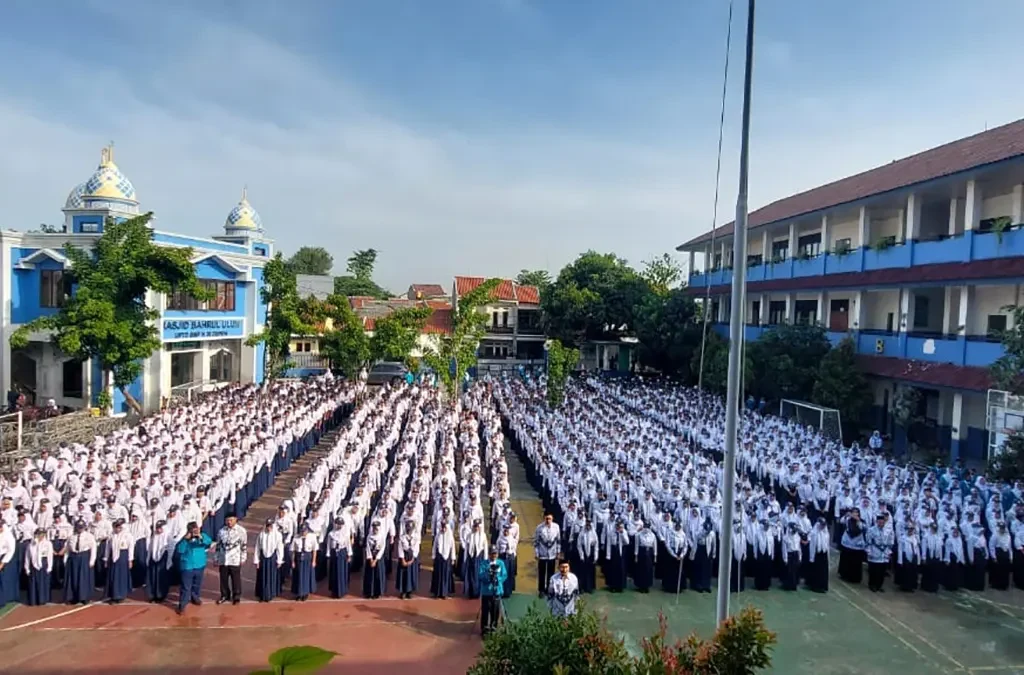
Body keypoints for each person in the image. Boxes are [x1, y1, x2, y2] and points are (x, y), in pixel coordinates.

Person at [175, 521, 214, 616]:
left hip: (199, 564)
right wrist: (186, 540)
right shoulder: (184, 539)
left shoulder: (202, 536)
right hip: (187, 566)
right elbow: (180, 550)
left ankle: (195, 598)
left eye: (196, 529)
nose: (195, 531)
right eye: (193, 530)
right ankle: (182, 605)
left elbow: (208, 542)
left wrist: (200, 537)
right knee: (186, 587)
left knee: (197, 584)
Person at [216, 512, 247, 605]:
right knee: (223, 579)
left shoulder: (241, 531)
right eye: (227, 520)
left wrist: (243, 558)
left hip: (235, 559)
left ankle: (236, 596)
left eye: (231, 520)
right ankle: (224, 595)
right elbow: (218, 545)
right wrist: (216, 557)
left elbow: (244, 545)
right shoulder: (221, 531)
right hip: (223, 559)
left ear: (236, 520)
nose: (229, 522)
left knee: (236, 579)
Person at [63, 520, 96, 605]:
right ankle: (74, 597)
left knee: (83, 578)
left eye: (81, 527)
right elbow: (67, 549)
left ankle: (84, 597)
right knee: (73, 578)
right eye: (78, 527)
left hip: (84, 557)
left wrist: (92, 560)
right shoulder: (71, 537)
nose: (80, 529)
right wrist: (65, 559)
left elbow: (93, 548)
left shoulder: (89, 536)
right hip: (74, 557)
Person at [477, 546, 507, 636]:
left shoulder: (501, 563)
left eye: (495, 553)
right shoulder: (484, 563)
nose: (494, 555)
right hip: (487, 592)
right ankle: (484, 628)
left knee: (495, 611)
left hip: (497, 591)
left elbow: (504, 575)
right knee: (485, 611)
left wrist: (498, 578)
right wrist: (489, 576)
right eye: (492, 553)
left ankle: (493, 627)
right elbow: (480, 575)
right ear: (489, 554)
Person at [255, 518, 285, 602]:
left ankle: (270, 594)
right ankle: (262, 595)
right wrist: (257, 560)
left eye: (270, 526)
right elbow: (257, 547)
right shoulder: (261, 534)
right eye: (268, 526)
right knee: (262, 576)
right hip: (263, 558)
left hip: (272, 557)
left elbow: (280, 547)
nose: (269, 528)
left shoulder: (277, 535)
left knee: (271, 576)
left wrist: (279, 560)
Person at [105, 519, 134, 604]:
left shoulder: (127, 536)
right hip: (113, 557)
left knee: (121, 576)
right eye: (116, 527)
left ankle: (121, 595)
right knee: (113, 576)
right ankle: (113, 595)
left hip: (123, 556)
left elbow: (131, 548)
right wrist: (106, 559)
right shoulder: (111, 536)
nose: (117, 529)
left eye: (119, 527)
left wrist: (130, 560)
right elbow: (108, 548)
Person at [533, 513, 561, 597]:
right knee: (542, 573)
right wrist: (537, 553)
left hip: (552, 554)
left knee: (551, 573)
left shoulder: (556, 527)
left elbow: (558, 540)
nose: (548, 520)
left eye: (550, 519)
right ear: (544, 518)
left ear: (552, 519)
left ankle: (549, 589)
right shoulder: (539, 528)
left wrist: (558, 551)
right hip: (542, 553)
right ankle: (541, 590)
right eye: (546, 519)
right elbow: (536, 541)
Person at [24, 527, 53, 606]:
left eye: (42, 534)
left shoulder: (48, 543)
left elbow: (50, 556)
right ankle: (34, 599)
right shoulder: (31, 544)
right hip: (33, 565)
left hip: (43, 564)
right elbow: (27, 557)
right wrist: (27, 568)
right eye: (39, 534)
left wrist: (49, 566)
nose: (40, 536)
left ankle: (42, 599)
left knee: (43, 583)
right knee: (33, 583)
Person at [865, 514, 893, 593]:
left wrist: (889, 553)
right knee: (873, 570)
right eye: (879, 522)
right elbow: (868, 542)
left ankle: (879, 585)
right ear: (877, 522)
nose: (881, 524)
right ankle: (872, 585)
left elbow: (889, 542)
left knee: (882, 571)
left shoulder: (887, 531)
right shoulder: (871, 530)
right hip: (874, 551)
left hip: (884, 553)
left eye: (882, 522)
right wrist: (869, 552)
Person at [146, 520, 172, 603]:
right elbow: (150, 547)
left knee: (161, 578)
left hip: (163, 558)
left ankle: (160, 595)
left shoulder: (168, 536)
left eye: (160, 528)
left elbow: (171, 549)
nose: (158, 530)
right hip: (153, 558)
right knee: (152, 576)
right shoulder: (154, 536)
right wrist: (148, 558)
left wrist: (169, 562)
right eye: (157, 528)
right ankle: (152, 595)